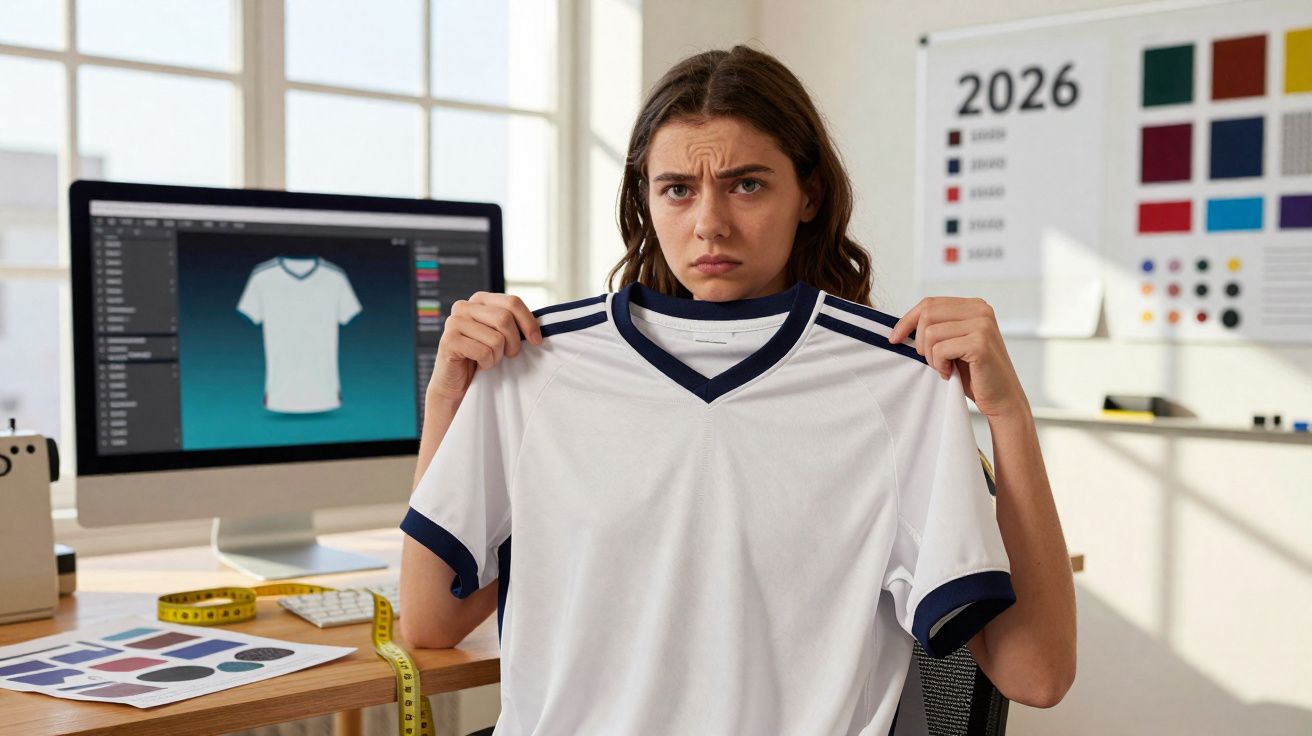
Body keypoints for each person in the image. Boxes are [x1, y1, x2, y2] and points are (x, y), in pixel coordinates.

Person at [400, 44, 1076, 732]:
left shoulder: (894, 386)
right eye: (678, 189)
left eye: (746, 184)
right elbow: (430, 621)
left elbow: (1038, 675)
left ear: (808, 194)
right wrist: (449, 396)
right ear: (644, 199)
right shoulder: (539, 369)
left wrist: (1008, 416)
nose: (709, 224)